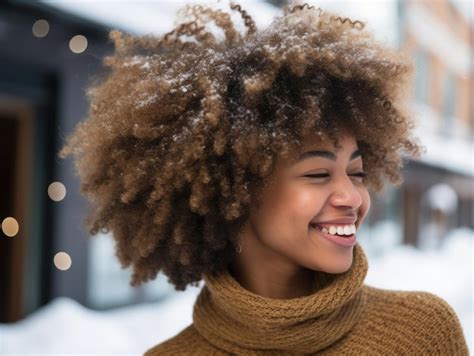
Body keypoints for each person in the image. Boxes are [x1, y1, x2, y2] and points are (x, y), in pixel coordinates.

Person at [59, 1, 469, 355]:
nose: (352, 197)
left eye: (357, 172)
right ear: (232, 190)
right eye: (318, 173)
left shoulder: (420, 334)